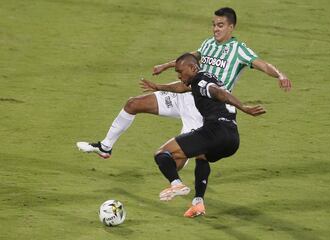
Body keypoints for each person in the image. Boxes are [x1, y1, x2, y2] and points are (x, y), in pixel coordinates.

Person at [76, 7, 291, 159]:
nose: (216, 29)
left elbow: (261, 64)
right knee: (133, 103)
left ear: (231, 27)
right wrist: (166, 65)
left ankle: (182, 190)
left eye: (221, 25)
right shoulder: (208, 43)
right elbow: (191, 57)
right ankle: (106, 147)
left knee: (177, 154)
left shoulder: (239, 49)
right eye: (214, 24)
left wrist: (280, 75)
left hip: (204, 107)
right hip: (183, 92)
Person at [148, 53, 265, 217]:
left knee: (161, 154)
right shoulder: (204, 79)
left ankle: (176, 184)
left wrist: (243, 107)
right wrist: (159, 87)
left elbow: (217, 92)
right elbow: (183, 87)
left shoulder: (201, 82)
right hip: (232, 139)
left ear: (193, 67)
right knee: (201, 155)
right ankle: (198, 203)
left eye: (180, 71)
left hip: (215, 131)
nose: (179, 75)